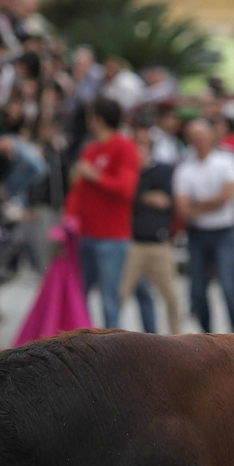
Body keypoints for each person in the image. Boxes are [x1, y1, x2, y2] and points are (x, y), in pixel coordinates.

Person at [65, 98, 139, 329]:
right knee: (78, 299)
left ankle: (112, 357)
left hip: (112, 238)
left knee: (110, 302)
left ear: (98, 119)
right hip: (85, 235)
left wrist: (94, 175)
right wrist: (66, 222)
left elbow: (126, 189)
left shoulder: (125, 147)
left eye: (91, 116)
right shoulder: (90, 148)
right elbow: (78, 192)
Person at [174, 117, 234, 332]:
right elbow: (183, 208)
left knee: (230, 287)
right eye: (194, 136)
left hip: (225, 232)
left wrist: (197, 206)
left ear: (212, 136)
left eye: (202, 135)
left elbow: (227, 196)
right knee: (197, 290)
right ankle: (207, 335)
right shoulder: (185, 168)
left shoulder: (226, 161)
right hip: (198, 234)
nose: (198, 140)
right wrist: (210, 204)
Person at [119, 124, 179, 333]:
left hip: (159, 244)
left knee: (172, 298)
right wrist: (146, 195)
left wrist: (142, 196)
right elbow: (128, 196)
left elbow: (166, 201)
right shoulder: (130, 173)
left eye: (145, 143)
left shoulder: (163, 170)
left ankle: (179, 343)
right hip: (133, 244)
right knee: (119, 296)